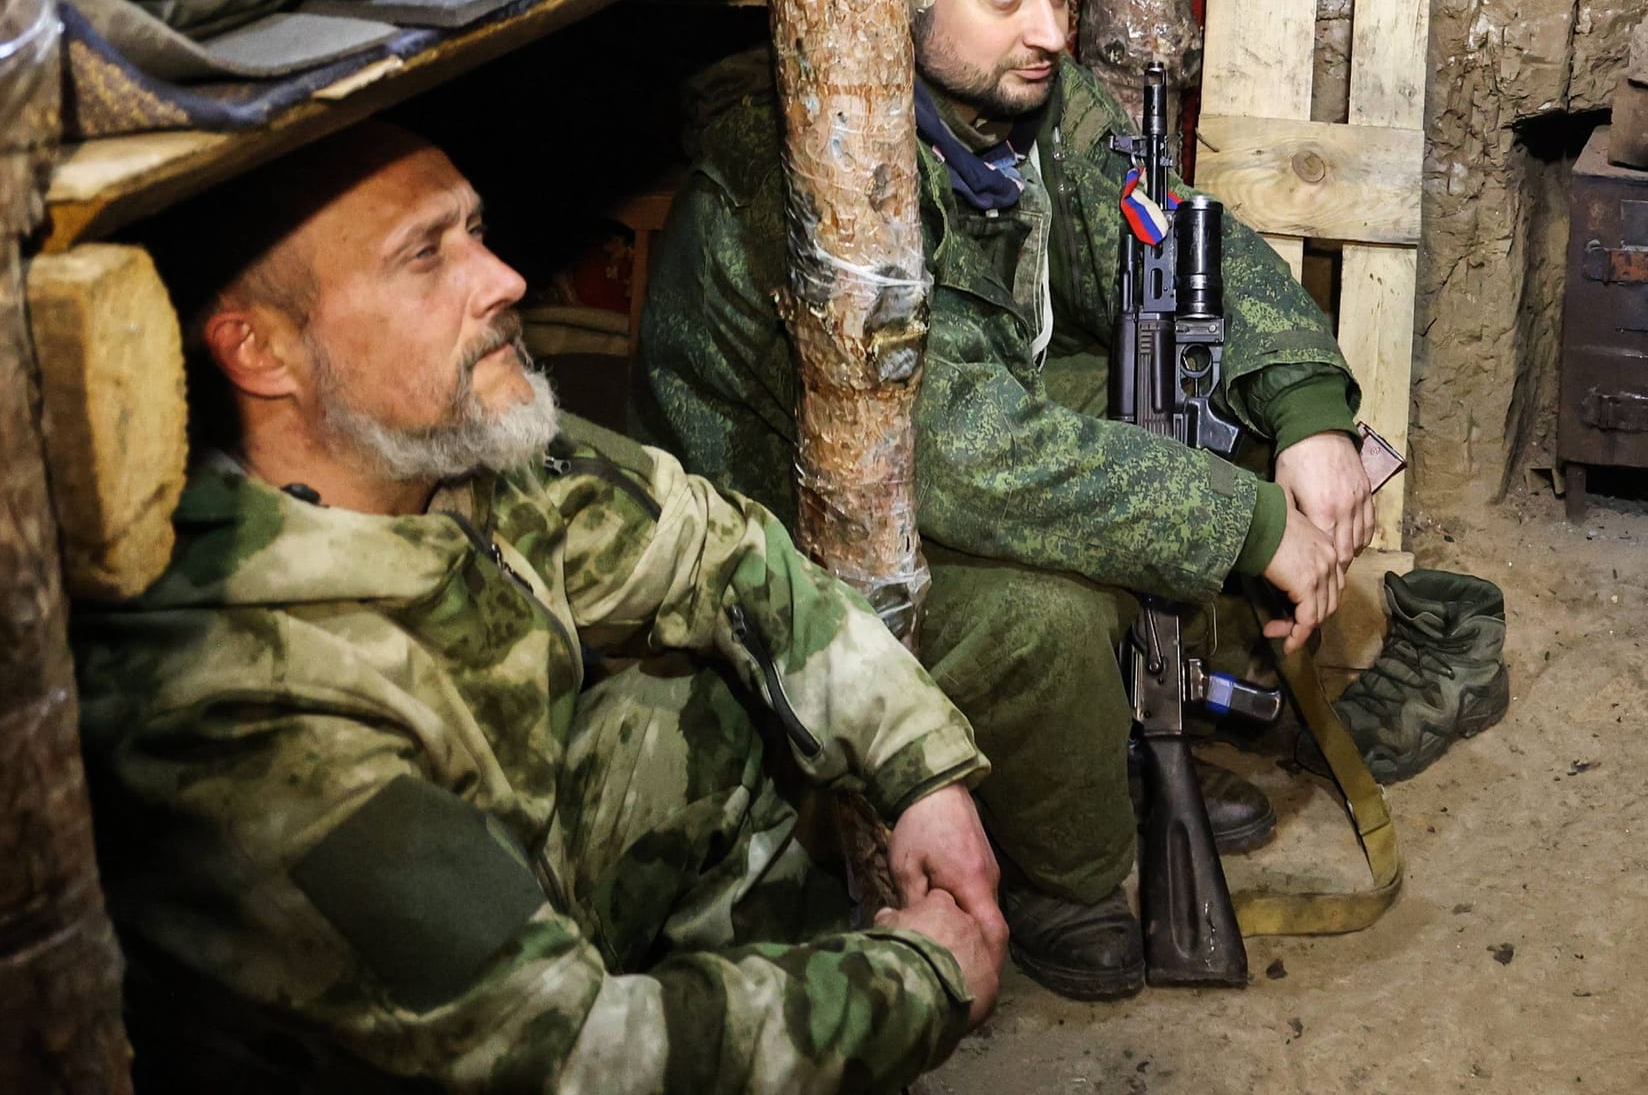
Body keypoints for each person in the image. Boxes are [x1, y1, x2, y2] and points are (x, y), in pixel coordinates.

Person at [70, 124, 1006, 1094]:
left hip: (515, 902)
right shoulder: (247, 713)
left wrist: (923, 769)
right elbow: (569, 1056)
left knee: (726, 697)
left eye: (475, 230)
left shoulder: (448, 455)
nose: (505, 278)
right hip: (444, 1050)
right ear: (260, 350)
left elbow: (717, 549)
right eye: (426, 255)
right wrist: (915, 980)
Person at [632, 0, 1378, 1002]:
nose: (1047, 29)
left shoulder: (1024, 98)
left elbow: (1175, 241)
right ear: (911, 0)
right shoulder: (810, 168)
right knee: (1049, 612)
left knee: (1182, 400)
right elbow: (947, 449)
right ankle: (1070, 872)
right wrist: (1242, 523)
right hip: (788, 535)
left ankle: (1141, 741)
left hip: (957, 438)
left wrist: (1305, 409)